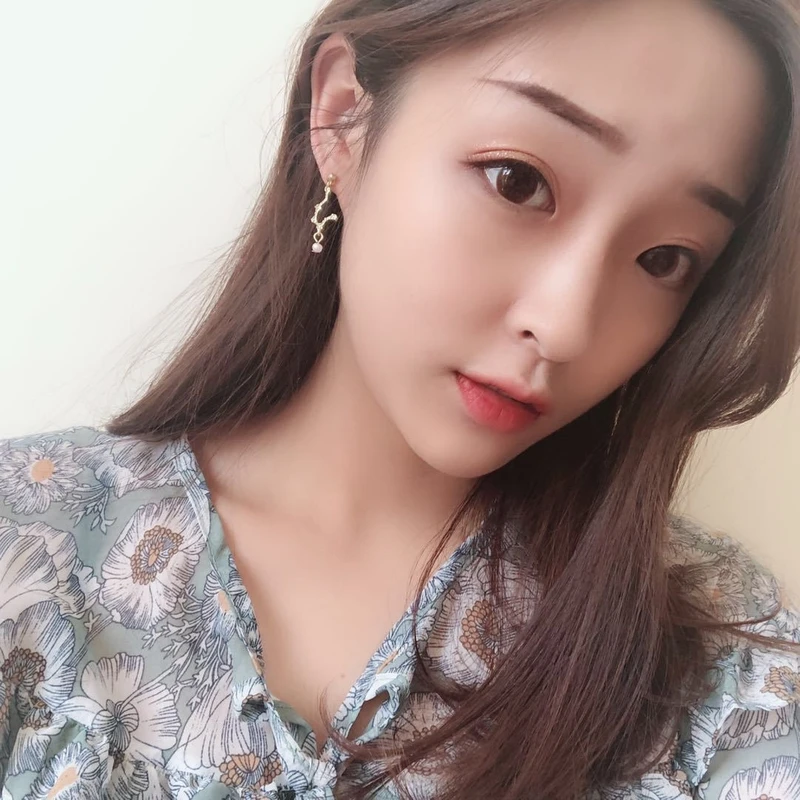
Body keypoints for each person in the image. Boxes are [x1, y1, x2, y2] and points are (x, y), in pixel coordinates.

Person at [2, 0, 800, 797]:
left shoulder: (719, 658)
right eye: (518, 182)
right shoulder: (30, 546)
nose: (565, 326)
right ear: (343, 115)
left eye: (665, 259)